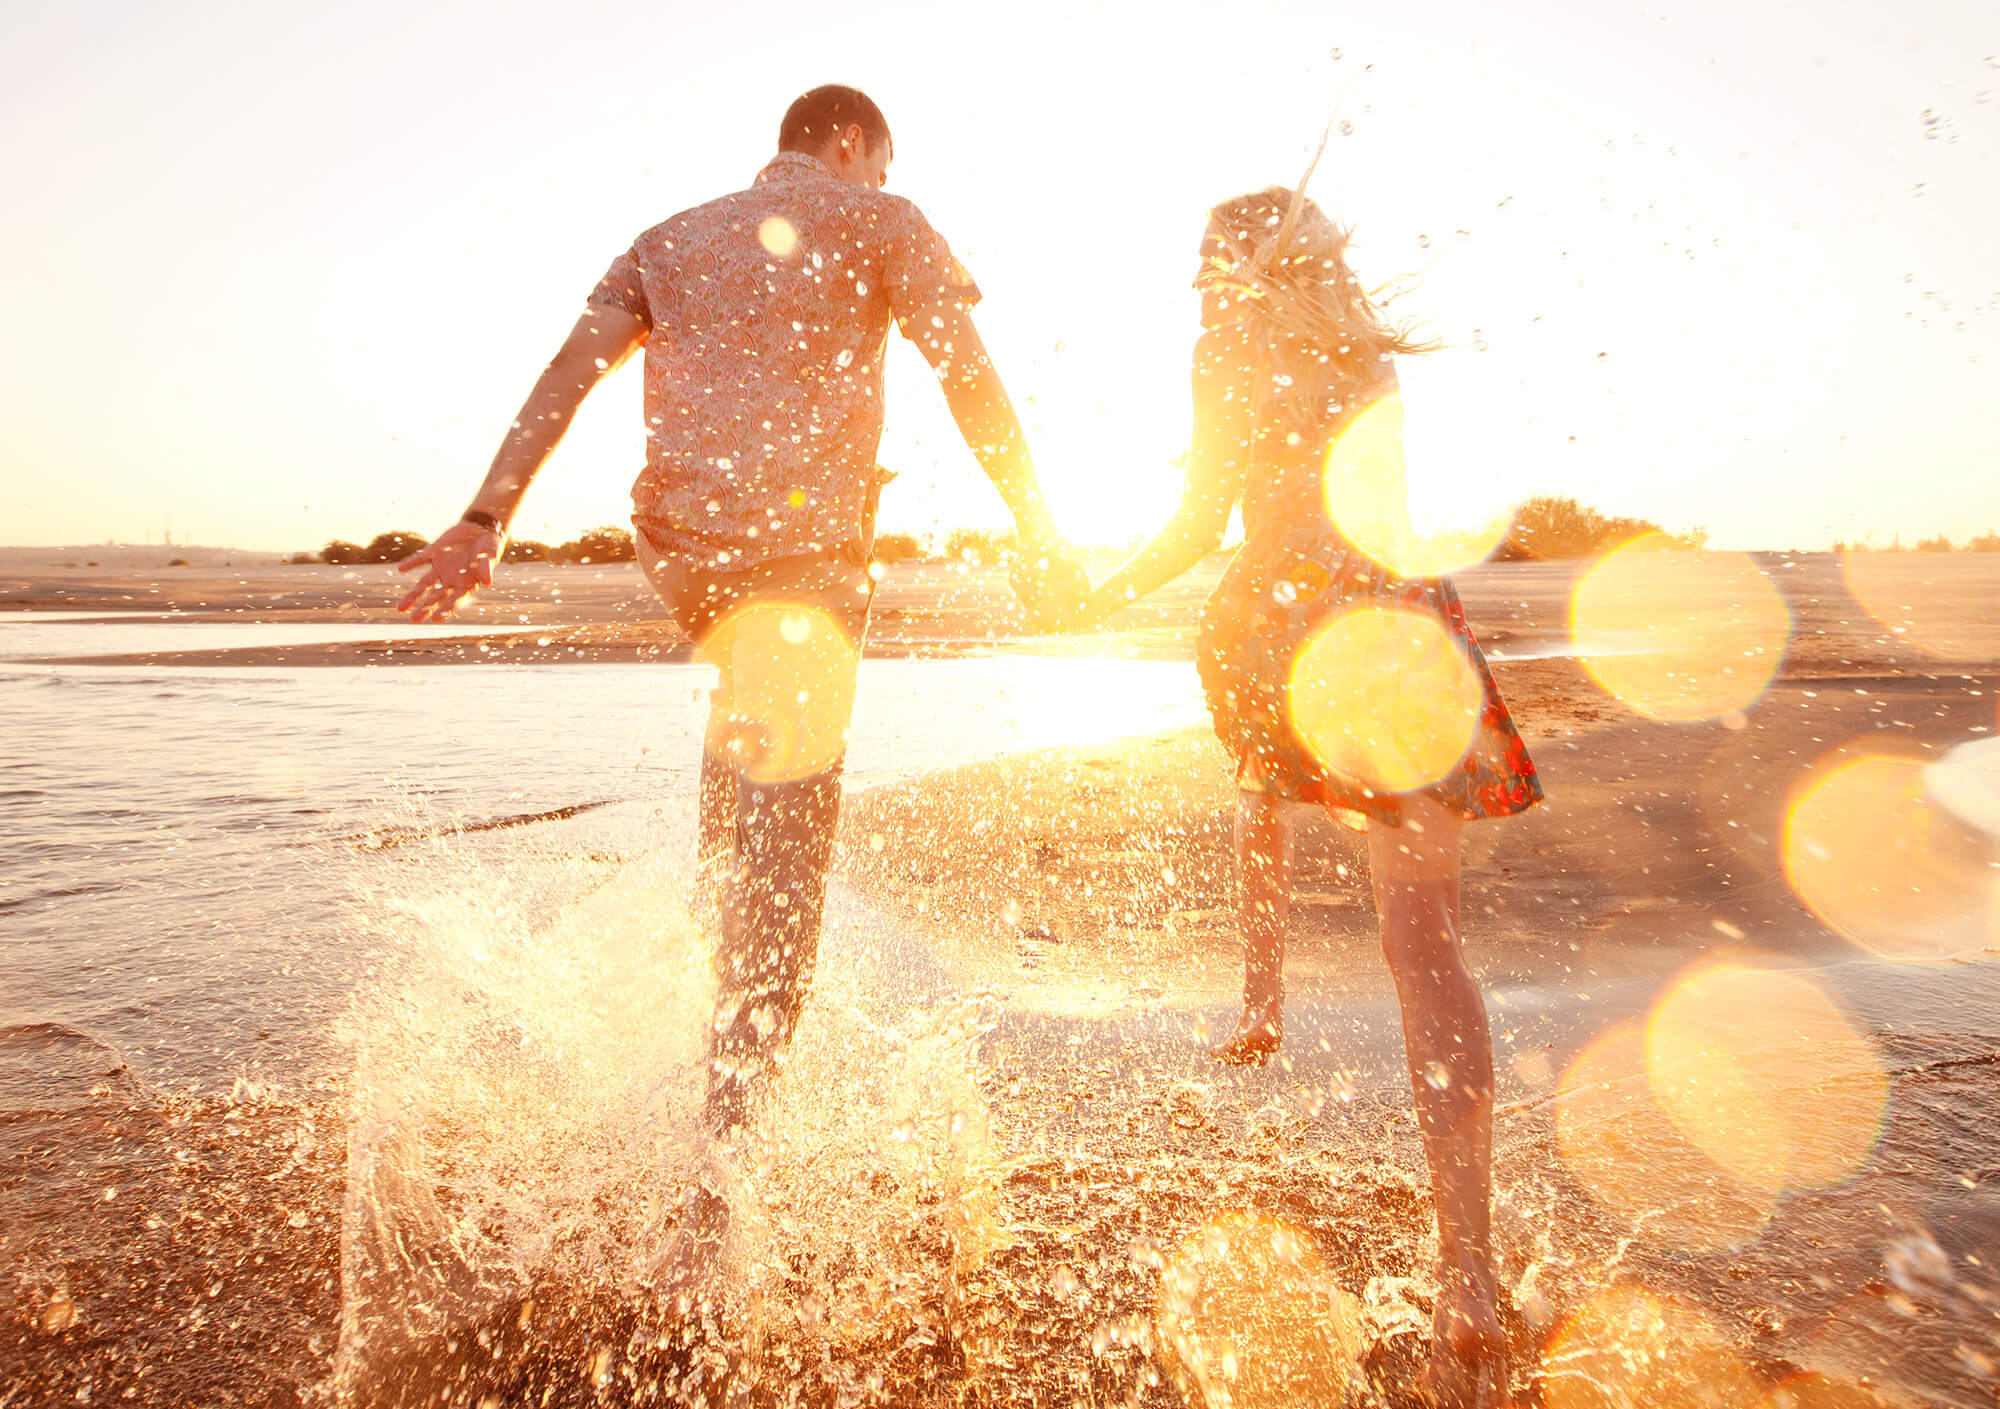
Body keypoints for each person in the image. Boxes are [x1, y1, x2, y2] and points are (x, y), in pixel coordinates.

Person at [392, 83, 1084, 1268]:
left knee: (740, 759)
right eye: (874, 161)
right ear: (855, 144)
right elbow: (963, 371)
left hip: (682, 555)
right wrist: (1038, 525)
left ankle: (689, 1030)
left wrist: (483, 518)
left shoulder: (667, 236)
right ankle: (714, 1195)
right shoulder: (882, 216)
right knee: (789, 862)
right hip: (801, 562)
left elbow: (568, 374)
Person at [1077, 180, 1541, 1406]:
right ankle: (1470, 1275)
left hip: (1279, 618)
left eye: (1203, 256)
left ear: (1240, 264)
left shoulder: (1220, 344)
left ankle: (1262, 989)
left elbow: (1197, 517)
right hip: (1396, 628)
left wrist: (1092, 592)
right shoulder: (1367, 358)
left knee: (1261, 780)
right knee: (1424, 946)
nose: (1191, 279)